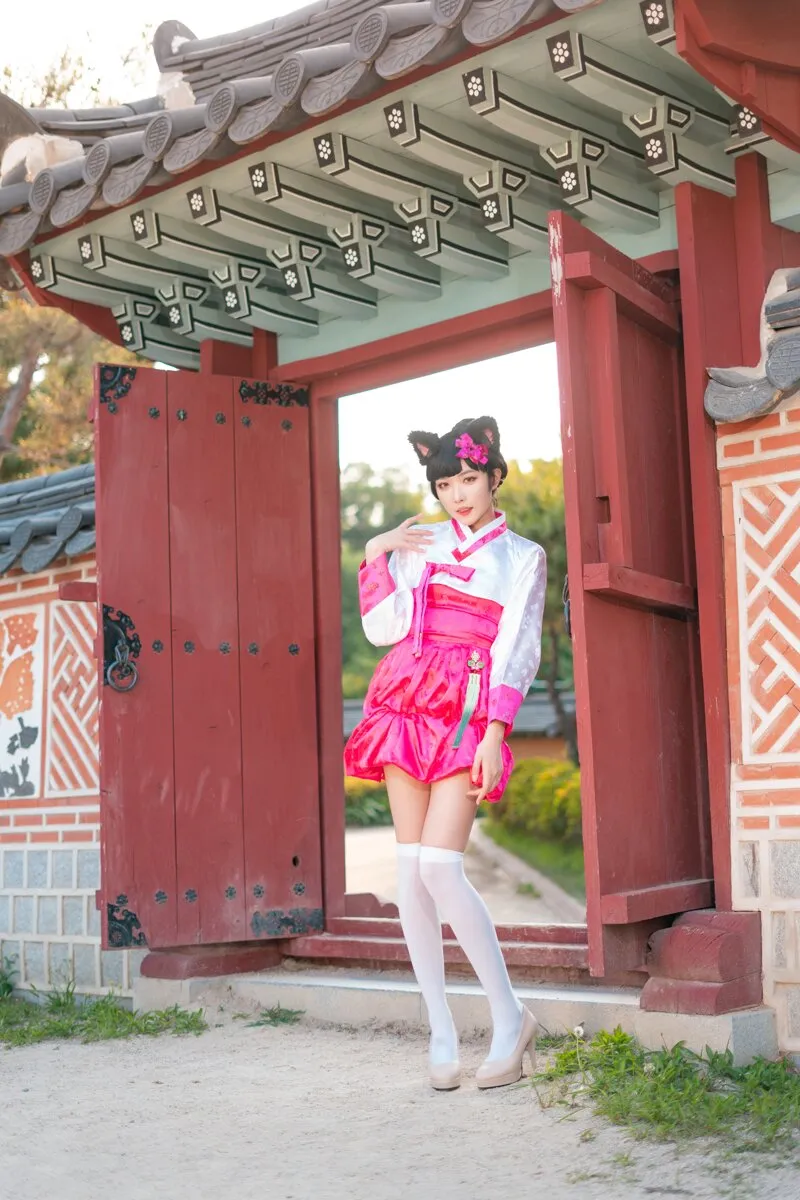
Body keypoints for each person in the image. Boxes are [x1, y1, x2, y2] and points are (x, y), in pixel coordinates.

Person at [344, 416, 547, 1091]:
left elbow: (518, 646)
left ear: (494, 476)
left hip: (467, 711)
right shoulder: (421, 542)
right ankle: (440, 1029)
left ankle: (510, 1017)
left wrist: (494, 731)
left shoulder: (522, 556)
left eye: (467, 479)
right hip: (406, 698)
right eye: (444, 485)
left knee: (439, 865)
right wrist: (376, 551)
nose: (457, 495)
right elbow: (383, 628)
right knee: (410, 871)